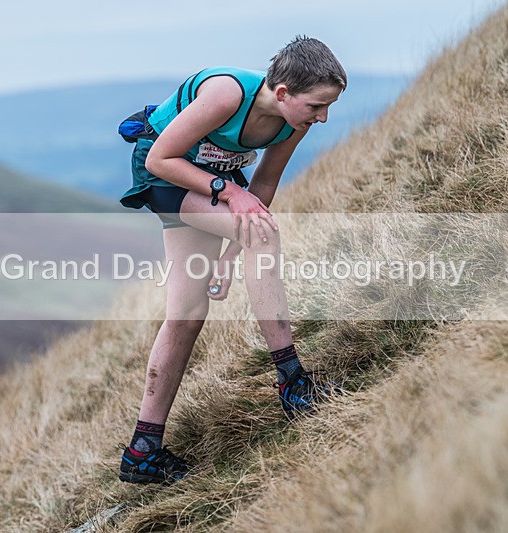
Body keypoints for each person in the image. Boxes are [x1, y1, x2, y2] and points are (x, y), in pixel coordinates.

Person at [117, 35, 346, 484]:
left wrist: (228, 259)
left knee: (187, 313)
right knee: (264, 233)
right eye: (317, 106)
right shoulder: (227, 94)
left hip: (211, 181)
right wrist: (227, 192)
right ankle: (294, 385)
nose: (323, 117)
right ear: (284, 92)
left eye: (328, 107)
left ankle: (142, 453)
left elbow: (262, 188)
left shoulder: (293, 121)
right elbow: (161, 159)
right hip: (164, 172)